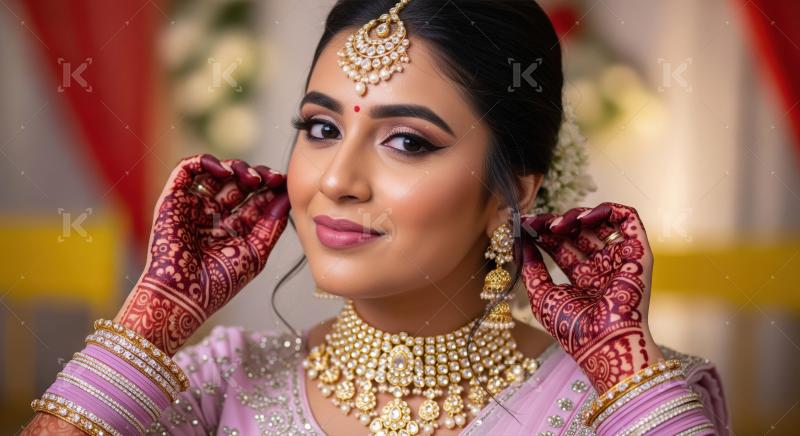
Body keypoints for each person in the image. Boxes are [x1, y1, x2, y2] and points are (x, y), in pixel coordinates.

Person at [21, 0, 730, 434]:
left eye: (407, 142)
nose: (335, 179)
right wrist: (152, 317)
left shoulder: (622, 404)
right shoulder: (213, 385)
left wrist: (624, 372)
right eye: (321, 129)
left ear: (508, 192)